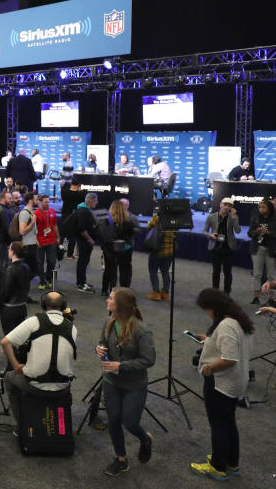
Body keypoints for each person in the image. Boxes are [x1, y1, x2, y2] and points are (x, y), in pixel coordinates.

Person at [189, 288, 253, 480]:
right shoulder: (237, 320)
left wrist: (209, 369)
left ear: (213, 308)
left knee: (218, 424)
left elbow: (230, 358)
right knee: (228, 422)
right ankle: (231, 462)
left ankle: (217, 466)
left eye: (206, 310)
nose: (207, 314)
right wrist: (209, 340)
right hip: (236, 382)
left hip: (221, 383)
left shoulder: (225, 325)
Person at [95, 289, 156, 476]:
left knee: (130, 422)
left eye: (111, 298)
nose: (107, 299)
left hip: (134, 384)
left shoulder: (142, 330)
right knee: (113, 420)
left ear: (120, 305)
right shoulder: (109, 322)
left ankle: (145, 439)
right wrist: (99, 349)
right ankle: (121, 459)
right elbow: (102, 342)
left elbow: (149, 360)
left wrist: (120, 366)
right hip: (111, 381)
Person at [0, 291, 76, 426]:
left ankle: (21, 424)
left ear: (43, 305)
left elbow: (5, 342)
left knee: (9, 378)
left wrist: (16, 365)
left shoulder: (33, 321)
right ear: (63, 305)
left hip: (34, 385)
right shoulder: (72, 327)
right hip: (63, 386)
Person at [203, 197, 241, 294]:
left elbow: (238, 231)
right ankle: (215, 292)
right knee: (216, 271)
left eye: (229, 205)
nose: (227, 207)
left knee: (227, 272)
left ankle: (226, 293)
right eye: (225, 204)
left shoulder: (233, 217)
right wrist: (210, 235)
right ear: (220, 204)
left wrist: (234, 217)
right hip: (215, 247)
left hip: (228, 248)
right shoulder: (211, 217)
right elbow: (205, 231)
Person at [0, 242, 31, 335]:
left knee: (10, 338)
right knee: (19, 337)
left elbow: (5, 291)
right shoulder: (26, 267)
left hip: (10, 310)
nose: (8, 251)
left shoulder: (10, 269)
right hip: (22, 307)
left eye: (9, 249)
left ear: (13, 252)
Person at [101, 200, 136, 294]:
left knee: (109, 269)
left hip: (109, 249)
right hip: (125, 248)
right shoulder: (128, 222)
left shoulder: (106, 221)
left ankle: (105, 290)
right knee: (125, 270)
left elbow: (103, 235)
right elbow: (131, 234)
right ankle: (124, 291)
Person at [145, 213, 174, 301]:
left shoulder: (158, 217)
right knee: (165, 271)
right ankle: (165, 293)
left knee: (153, 271)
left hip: (157, 249)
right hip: (170, 250)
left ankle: (156, 293)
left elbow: (149, 226)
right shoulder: (175, 219)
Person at [74, 192, 99, 293]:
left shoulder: (84, 210)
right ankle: (80, 284)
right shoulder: (84, 212)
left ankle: (82, 282)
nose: (97, 202)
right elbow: (82, 229)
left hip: (84, 241)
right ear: (90, 201)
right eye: (96, 200)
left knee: (84, 262)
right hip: (84, 241)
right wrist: (89, 239)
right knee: (83, 262)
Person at [33, 195, 58, 291]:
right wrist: (36, 240)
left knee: (52, 261)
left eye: (48, 202)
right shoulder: (36, 213)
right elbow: (33, 229)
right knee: (40, 262)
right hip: (40, 241)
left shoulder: (52, 211)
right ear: (40, 202)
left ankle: (49, 278)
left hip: (51, 240)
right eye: (45, 202)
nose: (47, 203)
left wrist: (58, 236)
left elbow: (55, 225)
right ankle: (42, 281)